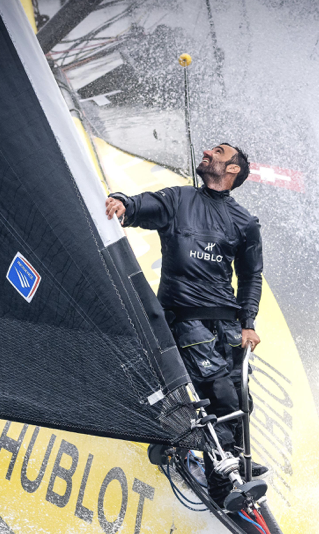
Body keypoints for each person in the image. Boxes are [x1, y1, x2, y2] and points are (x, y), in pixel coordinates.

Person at [104, 143, 266, 506]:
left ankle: (229, 462)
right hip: (185, 318)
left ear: (233, 169)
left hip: (227, 323)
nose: (207, 151)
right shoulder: (179, 199)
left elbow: (250, 276)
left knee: (240, 399)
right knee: (218, 392)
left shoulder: (245, 222)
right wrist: (123, 203)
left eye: (218, 152)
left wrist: (248, 322)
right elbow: (143, 205)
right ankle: (225, 480)